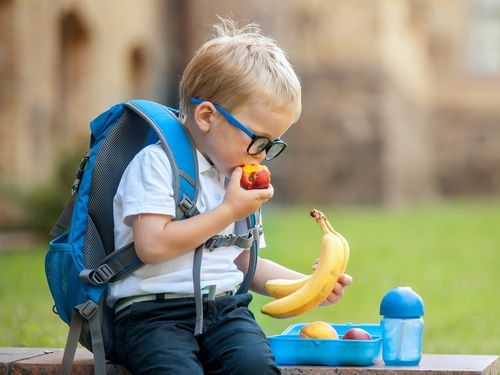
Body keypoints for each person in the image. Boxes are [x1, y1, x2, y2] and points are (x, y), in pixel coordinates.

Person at [108, 17, 352, 375]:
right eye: (258, 140)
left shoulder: (236, 180)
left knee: (255, 367)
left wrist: (310, 285)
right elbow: (152, 246)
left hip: (224, 310)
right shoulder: (157, 165)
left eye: (273, 144)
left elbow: (243, 264)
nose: (263, 154)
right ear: (207, 116)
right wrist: (228, 210)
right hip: (152, 314)